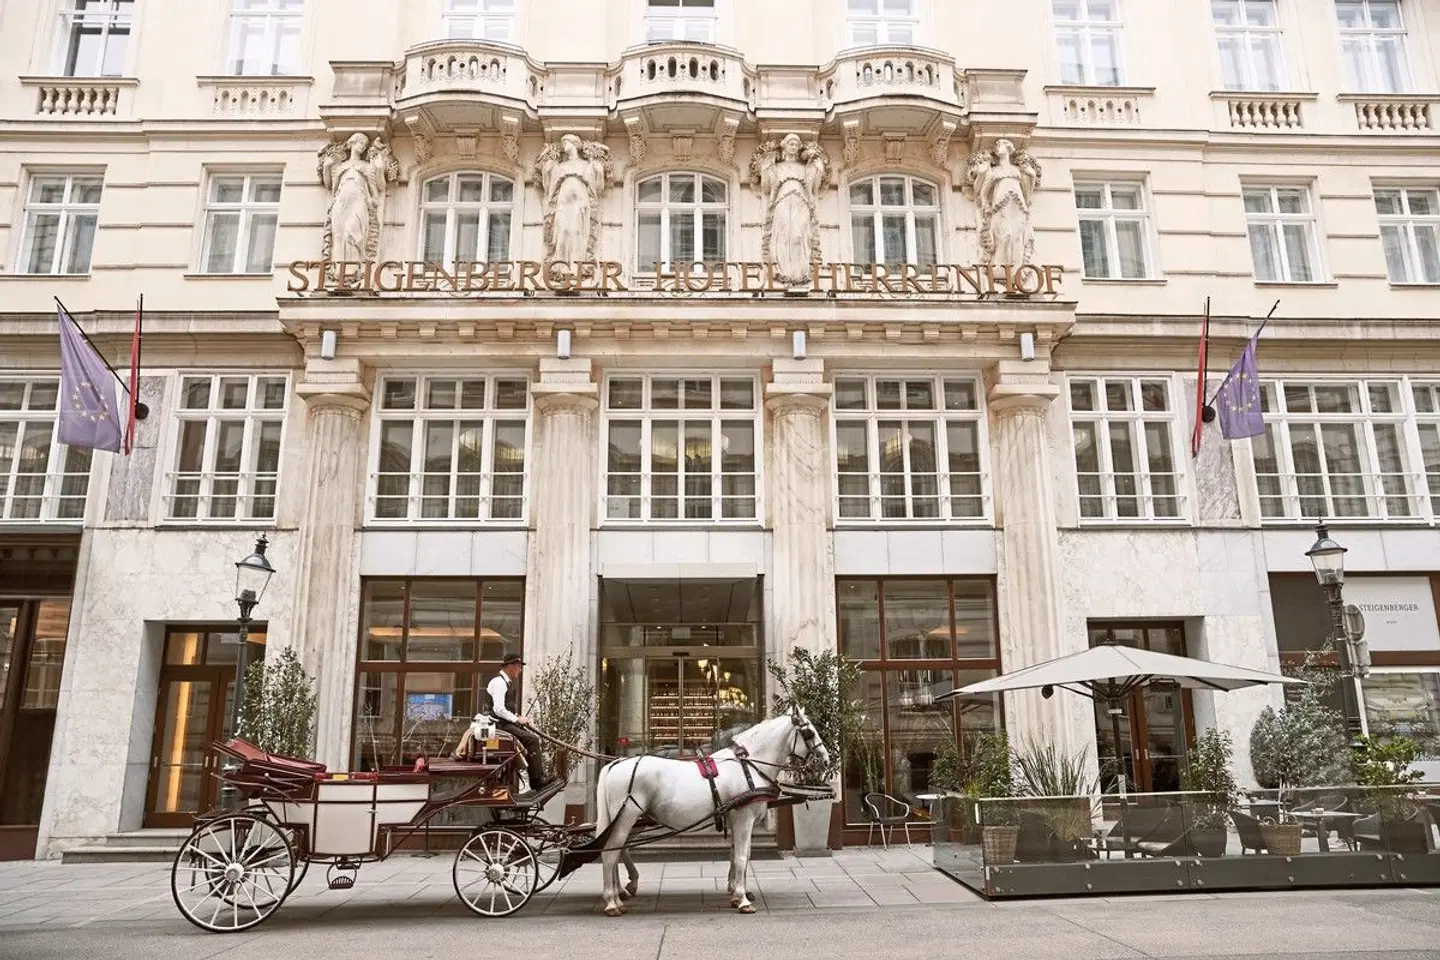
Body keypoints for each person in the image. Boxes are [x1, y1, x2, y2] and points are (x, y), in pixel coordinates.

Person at [485, 654, 551, 791]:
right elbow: (498, 709)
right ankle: (537, 780)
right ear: (510, 666)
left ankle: (537, 777)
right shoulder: (499, 683)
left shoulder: (504, 683)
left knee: (530, 738)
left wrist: (519, 718)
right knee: (532, 739)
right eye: (518, 667)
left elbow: (503, 709)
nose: (520, 670)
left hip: (504, 723)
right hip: (500, 726)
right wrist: (517, 719)